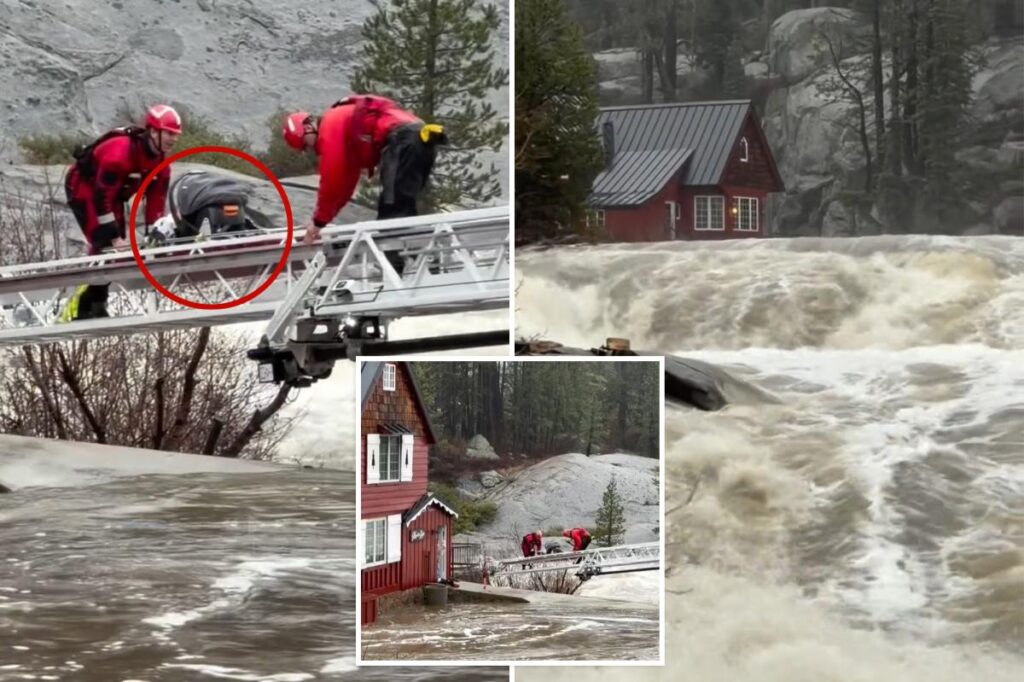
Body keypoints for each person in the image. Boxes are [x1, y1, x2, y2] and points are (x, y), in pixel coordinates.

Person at [281, 95, 447, 270]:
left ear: (308, 128)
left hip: (402, 140)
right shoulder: (342, 127)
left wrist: (318, 222)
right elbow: (345, 185)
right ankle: (423, 261)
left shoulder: (330, 128)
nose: (309, 150)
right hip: (419, 139)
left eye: (304, 145)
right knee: (402, 206)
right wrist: (324, 219)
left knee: (392, 213)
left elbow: (331, 179)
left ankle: (397, 271)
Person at [62, 104, 182, 320]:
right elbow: (101, 197)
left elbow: (156, 203)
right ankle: (85, 306)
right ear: (154, 131)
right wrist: (114, 237)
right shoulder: (119, 154)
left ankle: (96, 301)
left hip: (112, 194)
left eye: (176, 135)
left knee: (114, 247)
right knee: (104, 241)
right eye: (169, 133)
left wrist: (155, 235)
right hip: (84, 187)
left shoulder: (162, 165)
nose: (173, 139)